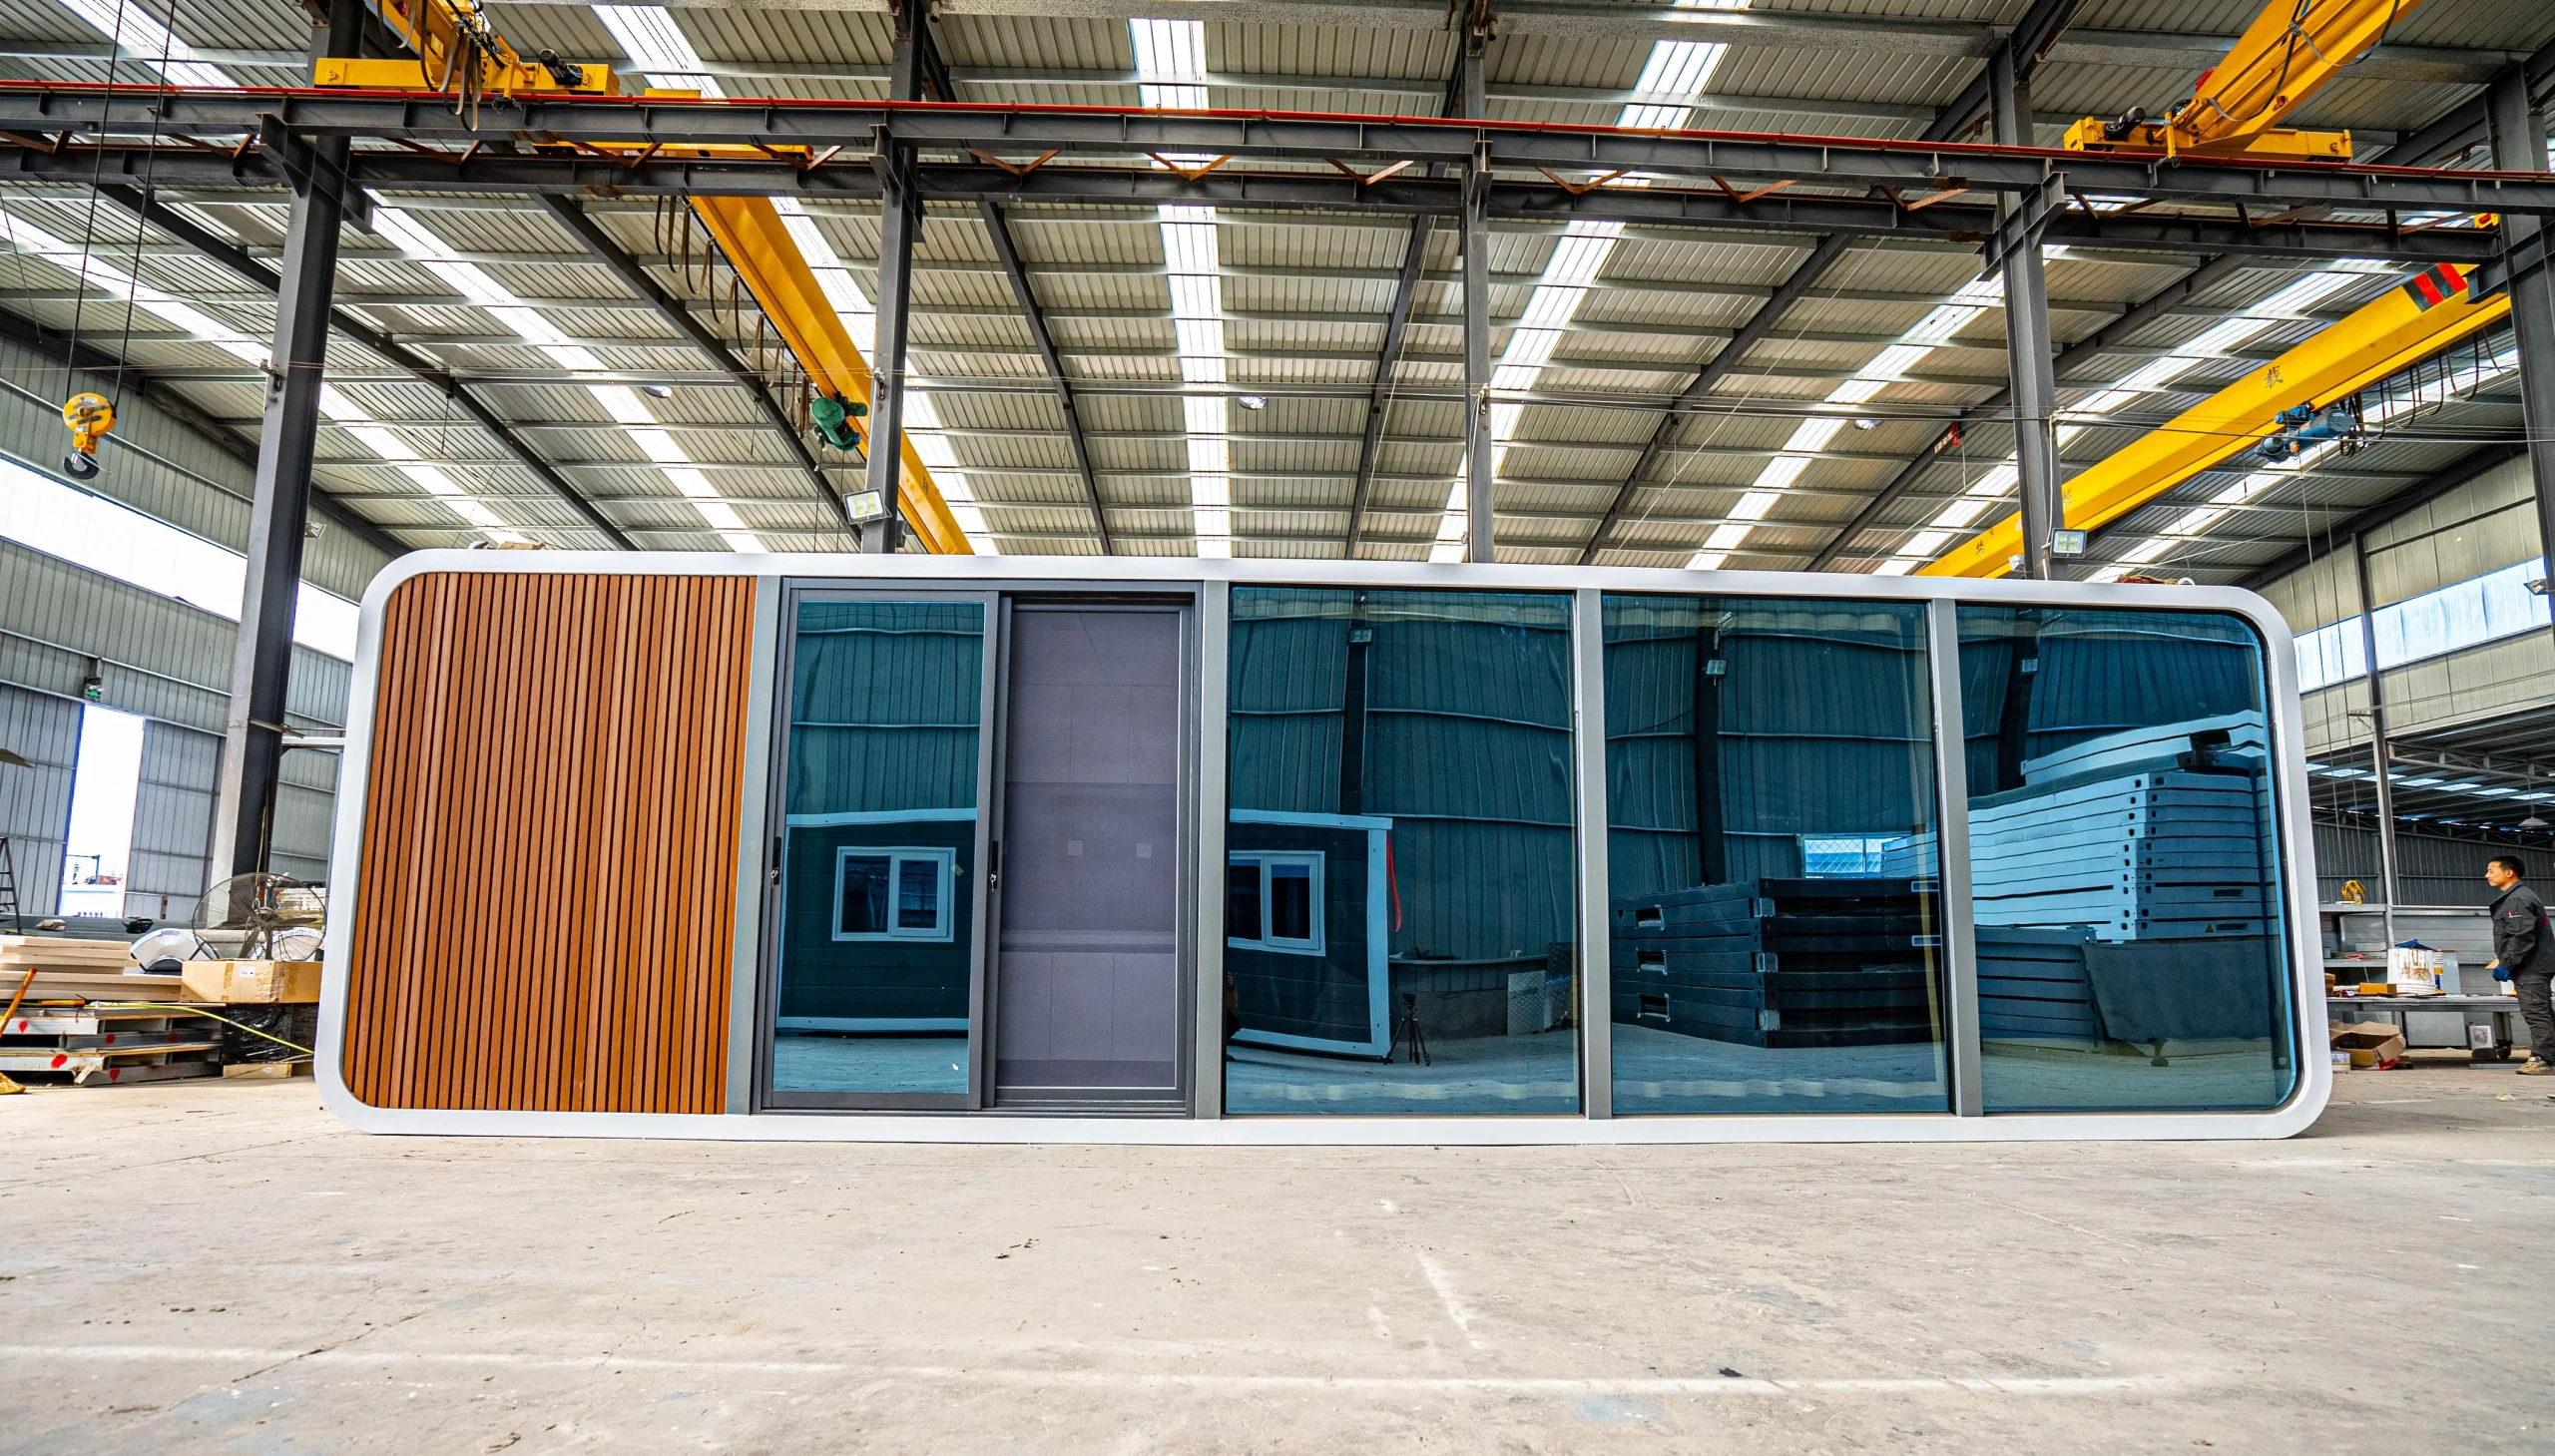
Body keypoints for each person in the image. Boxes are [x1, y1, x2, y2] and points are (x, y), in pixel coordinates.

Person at [2484, 854, 2555, 1074]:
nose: (2487, 875)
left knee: (2536, 1013)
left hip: (2531, 966)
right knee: (2543, 1012)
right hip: (2534, 964)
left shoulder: (2517, 899)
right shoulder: (2517, 897)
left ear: (2509, 872)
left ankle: (2544, 1060)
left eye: (2491, 870)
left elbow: (2522, 936)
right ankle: (2548, 1056)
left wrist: (2507, 963)